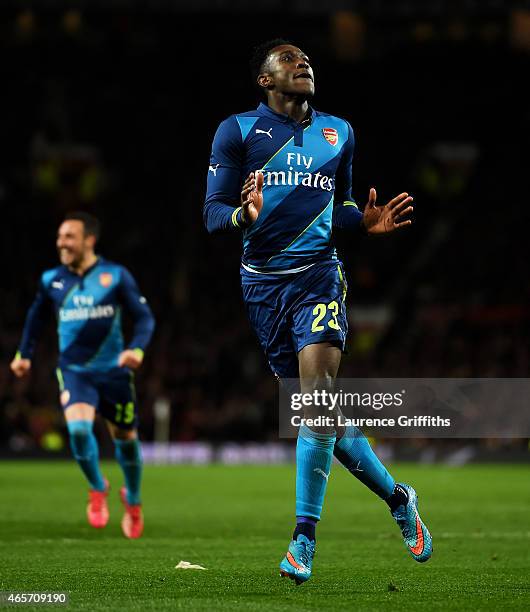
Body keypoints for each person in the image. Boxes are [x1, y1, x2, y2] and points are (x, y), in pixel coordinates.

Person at [204, 40, 432, 583]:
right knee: (323, 416)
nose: (301, 62)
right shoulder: (236, 132)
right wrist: (243, 213)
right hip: (262, 287)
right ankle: (399, 498)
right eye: (287, 58)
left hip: (318, 277)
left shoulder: (340, 132)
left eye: (305, 58)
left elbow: (344, 207)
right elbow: (213, 214)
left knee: (315, 402)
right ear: (264, 80)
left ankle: (303, 538)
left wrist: (364, 223)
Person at [10, 211, 155, 539]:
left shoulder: (114, 276)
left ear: (89, 239)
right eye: (60, 236)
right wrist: (24, 355)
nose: (62, 243)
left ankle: (132, 500)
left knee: (126, 440)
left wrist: (137, 349)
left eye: (69, 237)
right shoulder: (52, 281)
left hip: (114, 373)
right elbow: (35, 320)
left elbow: (145, 318)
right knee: (77, 431)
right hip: (75, 372)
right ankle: (97, 487)